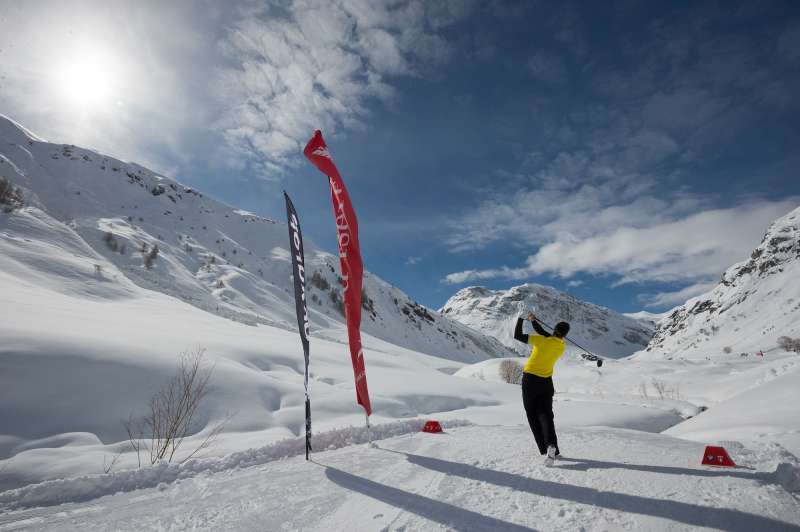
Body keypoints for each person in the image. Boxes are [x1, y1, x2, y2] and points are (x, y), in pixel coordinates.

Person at [514, 311, 570, 466]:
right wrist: (533, 321)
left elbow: (518, 335)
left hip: (531, 380)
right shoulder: (561, 345)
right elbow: (545, 334)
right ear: (564, 335)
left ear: (554, 329)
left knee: (532, 414)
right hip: (546, 382)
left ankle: (545, 448)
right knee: (546, 414)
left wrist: (520, 319)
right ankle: (552, 446)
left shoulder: (541, 340)